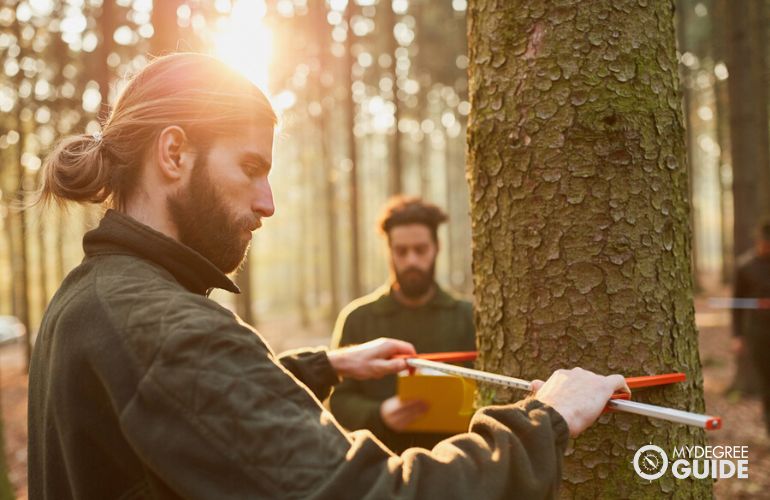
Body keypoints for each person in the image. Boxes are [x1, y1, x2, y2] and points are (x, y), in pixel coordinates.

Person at [29, 52, 628, 499]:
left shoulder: (93, 295)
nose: (268, 202)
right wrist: (541, 421)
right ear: (174, 153)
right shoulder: (166, 329)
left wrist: (325, 367)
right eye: (250, 167)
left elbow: (181, 415)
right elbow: (372, 494)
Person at [329, 197, 475, 453]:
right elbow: (339, 398)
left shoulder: (467, 316)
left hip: (458, 465)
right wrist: (380, 414)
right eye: (401, 251)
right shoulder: (358, 318)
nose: (411, 261)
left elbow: (490, 392)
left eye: (420, 249)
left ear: (437, 247)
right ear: (389, 251)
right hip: (380, 466)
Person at [733, 220, 770, 435]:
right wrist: (737, 335)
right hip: (759, 334)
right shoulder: (745, 267)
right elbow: (736, 305)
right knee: (766, 383)